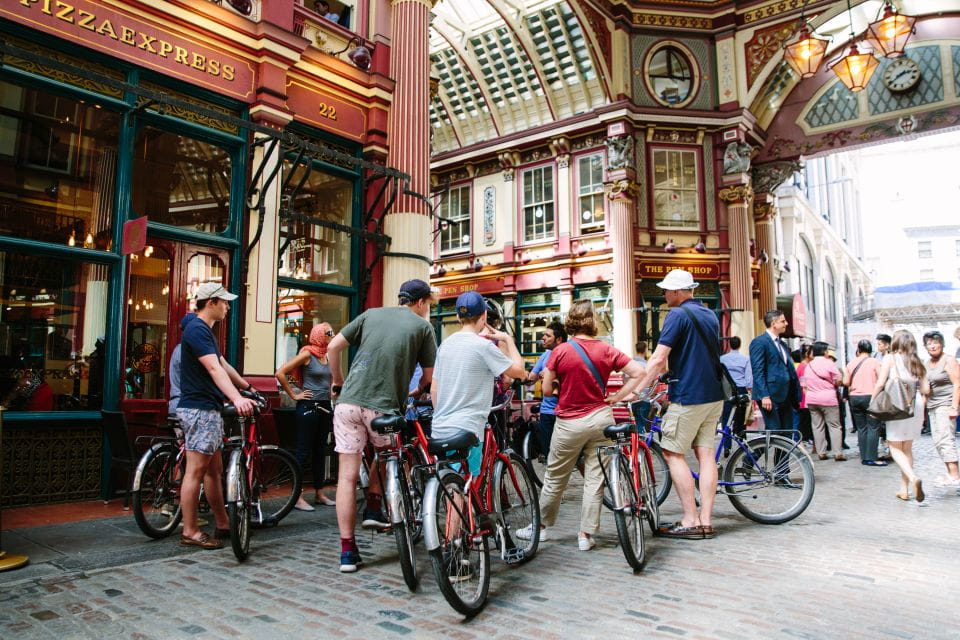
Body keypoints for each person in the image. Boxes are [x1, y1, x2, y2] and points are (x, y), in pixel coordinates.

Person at [327, 279, 438, 573]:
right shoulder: (423, 327)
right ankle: (375, 504)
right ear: (421, 302)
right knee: (390, 454)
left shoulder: (370, 314)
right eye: (429, 304)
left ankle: (348, 552)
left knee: (347, 478)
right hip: (382, 406)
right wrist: (420, 392)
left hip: (348, 403)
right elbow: (429, 377)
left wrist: (337, 380)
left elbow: (333, 347)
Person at [516, 299, 643, 550]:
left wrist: (560, 385)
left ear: (571, 321)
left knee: (555, 477)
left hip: (569, 422)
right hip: (601, 419)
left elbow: (549, 391)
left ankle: (541, 528)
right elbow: (638, 373)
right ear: (593, 321)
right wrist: (617, 396)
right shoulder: (606, 349)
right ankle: (586, 535)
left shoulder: (560, 352)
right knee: (595, 479)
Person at [626, 269, 724, 539]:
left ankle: (691, 519)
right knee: (705, 454)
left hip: (689, 395)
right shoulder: (708, 314)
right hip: (713, 395)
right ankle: (706, 520)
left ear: (678, 292)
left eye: (667, 290)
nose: (664, 294)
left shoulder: (677, 315)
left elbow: (657, 359)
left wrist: (637, 390)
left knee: (672, 453)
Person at [176, 283, 256, 550]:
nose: (228, 307)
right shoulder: (198, 329)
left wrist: (246, 387)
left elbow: (222, 364)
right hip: (200, 408)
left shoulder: (202, 330)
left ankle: (222, 522)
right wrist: (236, 398)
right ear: (210, 302)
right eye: (224, 302)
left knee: (214, 470)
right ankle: (190, 530)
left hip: (205, 408)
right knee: (196, 471)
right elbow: (212, 368)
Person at [430, 291, 526, 476]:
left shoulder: (445, 345)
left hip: (440, 427)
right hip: (469, 427)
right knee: (471, 483)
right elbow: (519, 372)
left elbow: (435, 390)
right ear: (483, 316)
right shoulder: (484, 346)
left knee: (454, 482)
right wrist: (507, 339)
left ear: (458, 316)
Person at [276, 323, 337, 511]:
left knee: (320, 450)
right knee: (303, 452)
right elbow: (280, 373)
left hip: (325, 407)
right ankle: (298, 496)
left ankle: (319, 493)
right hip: (308, 407)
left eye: (332, 332)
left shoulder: (328, 354)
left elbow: (332, 380)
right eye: (329, 333)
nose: (332, 335)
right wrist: (295, 395)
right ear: (319, 335)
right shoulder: (307, 354)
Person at [874, 330, 930, 502]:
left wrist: (873, 401)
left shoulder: (890, 358)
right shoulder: (917, 361)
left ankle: (913, 478)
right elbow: (926, 390)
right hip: (915, 404)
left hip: (897, 404)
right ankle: (904, 489)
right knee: (907, 448)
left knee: (894, 446)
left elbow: (881, 383)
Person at [749, 310, 801, 437]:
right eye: (783, 321)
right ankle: (750, 456)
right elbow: (758, 370)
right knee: (774, 432)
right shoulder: (759, 342)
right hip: (770, 396)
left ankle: (782, 458)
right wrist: (764, 395)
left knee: (787, 434)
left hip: (786, 395)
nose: (786, 324)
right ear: (773, 323)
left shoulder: (782, 344)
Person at [922, 331, 960, 487]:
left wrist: (954, 407)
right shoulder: (926, 363)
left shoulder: (949, 360)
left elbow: (958, 384)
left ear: (942, 344)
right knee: (938, 441)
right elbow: (926, 389)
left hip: (946, 404)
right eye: (929, 343)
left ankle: (954, 475)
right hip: (933, 405)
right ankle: (951, 473)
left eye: (935, 342)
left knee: (945, 439)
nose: (932, 345)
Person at [525, 321, 566, 454]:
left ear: (559, 339)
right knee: (549, 453)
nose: (543, 338)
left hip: (565, 412)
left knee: (573, 455)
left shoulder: (569, 354)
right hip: (547, 411)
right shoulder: (545, 355)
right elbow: (531, 378)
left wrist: (551, 374)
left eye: (548, 336)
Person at [843, 340, 885, 466]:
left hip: (855, 398)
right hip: (871, 397)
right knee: (873, 427)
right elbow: (881, 379)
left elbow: (845, 382)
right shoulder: (875, 362)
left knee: (861, 428)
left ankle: (864, 456)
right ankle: (871, 457)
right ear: (870, 350)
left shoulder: (851, 363)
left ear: (859, 350)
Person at [802, 342, 845, 461]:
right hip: (828, 399)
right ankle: (838, 453)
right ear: (824, 351)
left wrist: (811, 394)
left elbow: (803, 384)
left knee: (817, 427)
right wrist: (834, 384)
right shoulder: (829, 363)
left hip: (812, 400)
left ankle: (821, 452)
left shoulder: (808, 366)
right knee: (834, 426)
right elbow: (839, 379)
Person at [720, 336, 752, 426]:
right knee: (741, 416)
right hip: (741, 388)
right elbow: (748, 377)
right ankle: (740, 437)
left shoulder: (722, 359)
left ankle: (726, 439)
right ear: (740, 345)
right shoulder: (746, 359)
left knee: (727, 415)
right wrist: (750, 389)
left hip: (727, 389)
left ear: (729, 344)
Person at [794, 344, 814, 445]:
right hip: (805, 400)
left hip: (808, 399)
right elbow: (803, 385)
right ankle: (801, 444)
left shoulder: (808, 365)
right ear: (807, 354)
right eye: (812, 352)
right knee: (804, 423)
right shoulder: (802, 367)